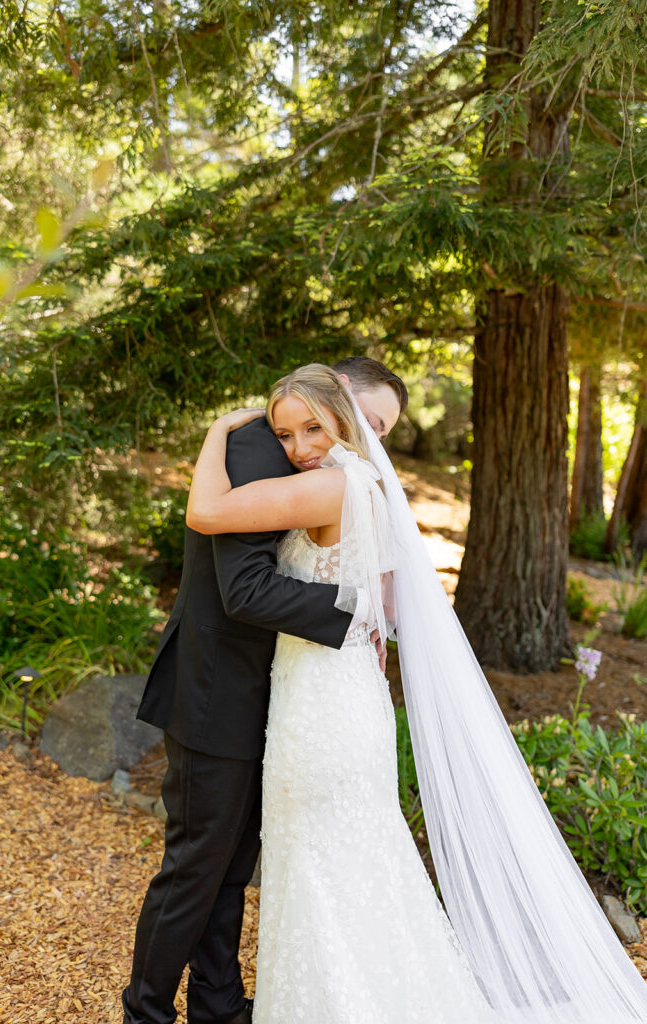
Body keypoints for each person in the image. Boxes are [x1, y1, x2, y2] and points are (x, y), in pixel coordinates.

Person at [188, 364, 647, 1024]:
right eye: (285, 434)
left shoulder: (327, 485)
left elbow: (205, 513)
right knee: (350, 862)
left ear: (340, 418)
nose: (296, 448)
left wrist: (213, 434)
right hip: (335, 693)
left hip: (320, 705)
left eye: (311, 428)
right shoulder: (366, 482)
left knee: (319, 863)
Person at [121, 358, 408, 1024]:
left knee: (228, 867)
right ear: (337, 393)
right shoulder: (255, 446)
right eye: (366, 417)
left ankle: (218, 1006)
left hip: (276, 695)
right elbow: (243, 587)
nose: (369, 434)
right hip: (214, 690)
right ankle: (145, 1014)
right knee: (196, 868)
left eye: (382, 428)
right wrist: (353, 608)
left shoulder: (324, 465)